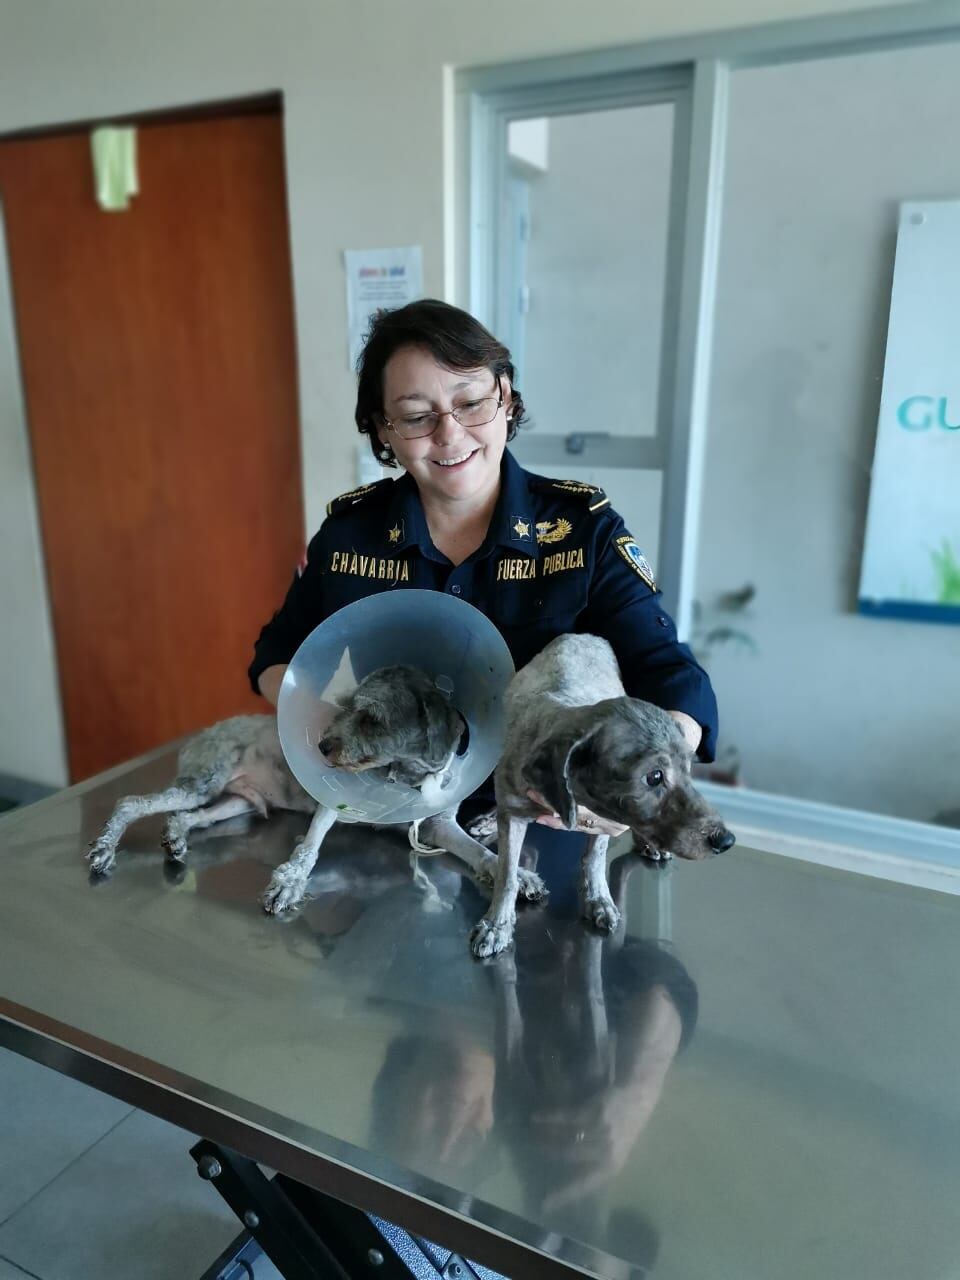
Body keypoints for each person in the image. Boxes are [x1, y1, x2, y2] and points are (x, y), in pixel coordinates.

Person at [249, 299, 719, 833]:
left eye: (471, 402)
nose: (449, 434)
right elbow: (277, 655)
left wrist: (644, 780)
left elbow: (670, 679)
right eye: (415, 416)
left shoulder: (585, 532)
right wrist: (331, 729)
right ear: (383, 430)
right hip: (385, 816)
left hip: (538, 825)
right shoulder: (348, 534)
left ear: (508, 399)